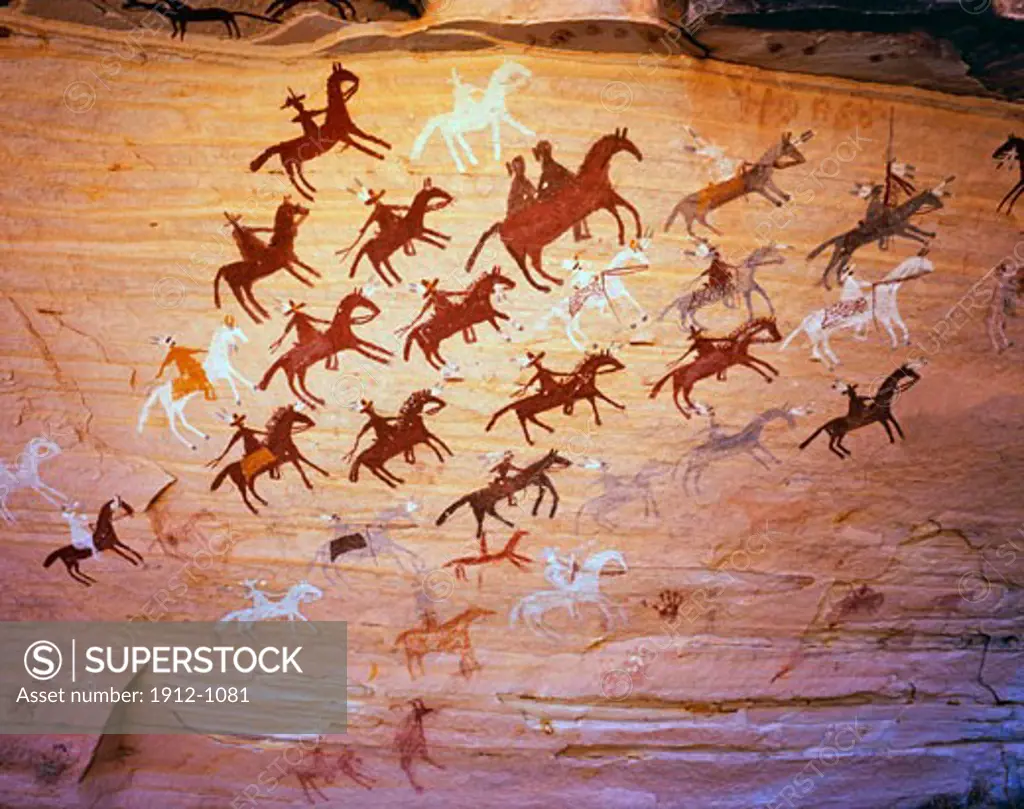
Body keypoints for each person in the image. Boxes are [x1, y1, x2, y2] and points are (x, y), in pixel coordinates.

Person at [270, 300, 337, 369]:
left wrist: (281, 339)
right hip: (310, 334)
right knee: (327, 344)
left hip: (304, 336)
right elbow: (314, 320)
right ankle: (327, 364)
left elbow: (287, 329)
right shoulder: (300, 316)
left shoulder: (296, 317)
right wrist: (326, 322)